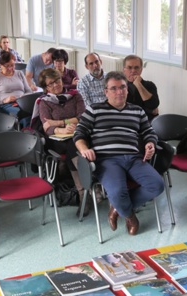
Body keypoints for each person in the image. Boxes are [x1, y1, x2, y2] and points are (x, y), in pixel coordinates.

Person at [73, 71, 164, 236]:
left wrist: (150, 144)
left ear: (127, 90)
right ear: (105, 92)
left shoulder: (137, 111)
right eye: (113, 88)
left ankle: (117, 207)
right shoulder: (94, 109)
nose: (119, 92)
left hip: (134, 158)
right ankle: (129, 215)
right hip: (107, 160)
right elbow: (79, 134)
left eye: (122, 87)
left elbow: (149, 132)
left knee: (157, 185)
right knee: (117, 192)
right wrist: (84, 149)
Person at [35, 68, 86, 216]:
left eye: (57, 80)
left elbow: (82, 116)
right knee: (72, 145)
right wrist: (62, 130)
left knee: (72, 146)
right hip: (56, 141)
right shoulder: (44, 102)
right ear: (46, 88)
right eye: (50, 84)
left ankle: (83, 193)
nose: (56, 85)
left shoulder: (75, 95)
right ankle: (85, 189)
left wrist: (59, 123)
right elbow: (46, 128)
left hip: (76, 134)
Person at [0, 51, 32, 126]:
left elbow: (29, 91)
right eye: (7, 66)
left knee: (34, 113)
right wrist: (4, 100)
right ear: (1, 65)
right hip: (7, 105)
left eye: (13, 65)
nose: (11, 68)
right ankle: (26, 131)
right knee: (22, 114)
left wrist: (23, 97)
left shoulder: (19, 73)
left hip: (22, 102)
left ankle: (28, 131)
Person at [122, 55, 160, 121]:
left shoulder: (150, 85)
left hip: (148, 121)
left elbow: (153, 105)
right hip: (128, 121)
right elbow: (123, 108)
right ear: (124, 70)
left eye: (136, 68)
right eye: (129, 67)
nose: (133, 71)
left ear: (141, 70)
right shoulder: (120, 87)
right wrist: (149, 110)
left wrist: (138, 85)